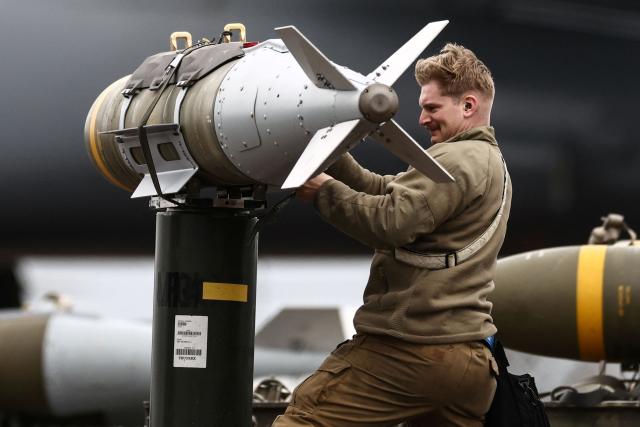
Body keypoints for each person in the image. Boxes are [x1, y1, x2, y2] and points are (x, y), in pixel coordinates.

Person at [273, 43, 512, 427]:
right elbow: (389, 191)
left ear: (468, 106)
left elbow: (391, 221)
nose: (421, 119)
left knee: (306, 418)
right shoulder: (487, 162)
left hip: (411, 352)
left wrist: (323, 193)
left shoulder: (455, 159)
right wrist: (333, 153)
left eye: (432, 108)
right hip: (469, 364)